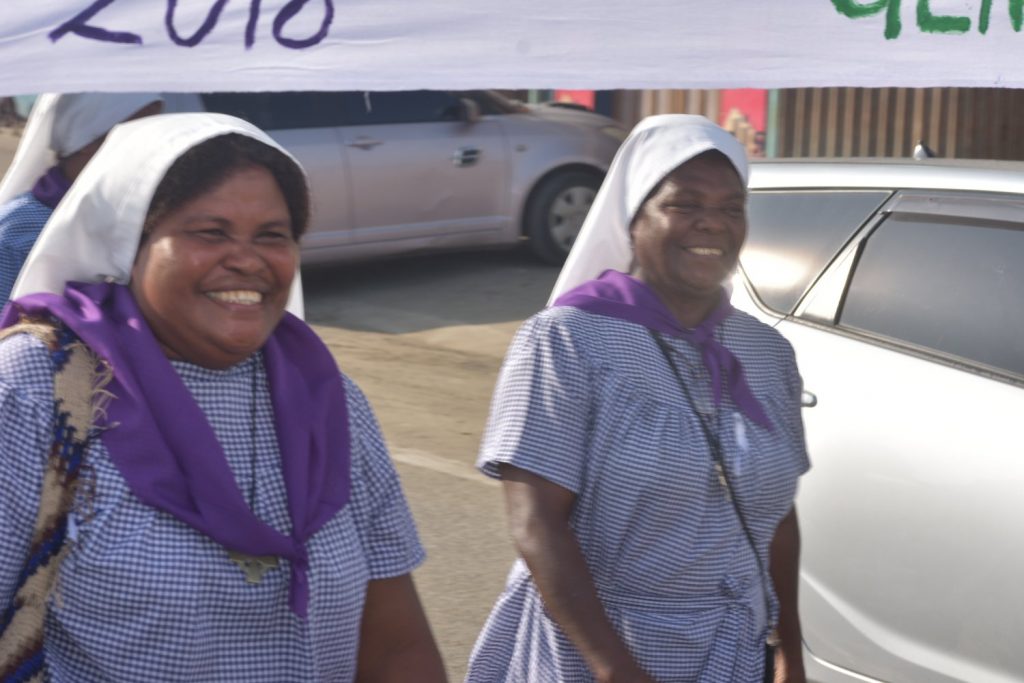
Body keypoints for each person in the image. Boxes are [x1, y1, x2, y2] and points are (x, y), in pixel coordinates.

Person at [0, 112, 447, 682]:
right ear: (127, 244)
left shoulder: (331, 400)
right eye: (209, 232)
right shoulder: (38, 388)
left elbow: (395, 649)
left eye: (272, 235)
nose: (247, 259)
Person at [465, 115, 809, 682]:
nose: (711, 224)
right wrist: (615, 669)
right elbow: (536, 523)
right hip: (596, 650)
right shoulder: (568, 340)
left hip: (732, 653)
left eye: (731, 207)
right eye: (685, 203)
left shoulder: (766, 353)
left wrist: (790, 650)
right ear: (635, 218)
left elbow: (777, 517)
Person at [0, 92, 164, 307]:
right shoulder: (18, 230)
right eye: (140, 130)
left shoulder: (138, 219)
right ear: (87, 139)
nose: (155, 144)